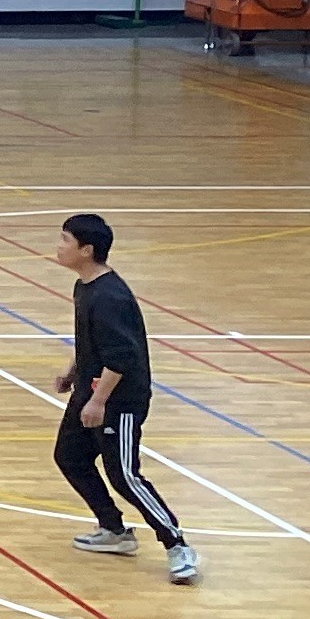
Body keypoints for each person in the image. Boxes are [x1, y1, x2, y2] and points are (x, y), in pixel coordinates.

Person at [57, 212, 197, 585]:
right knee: (70, 456)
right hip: (90, 389)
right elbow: (91, 341)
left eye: (65, 240)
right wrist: (73, 372)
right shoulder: (85, 286)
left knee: (124, 474)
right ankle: (114, 530)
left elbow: (121, 357)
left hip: (118, 400)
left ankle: (177, 546)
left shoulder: (110, 297)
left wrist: (98, 402)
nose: (59, 247)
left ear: (86, 250)